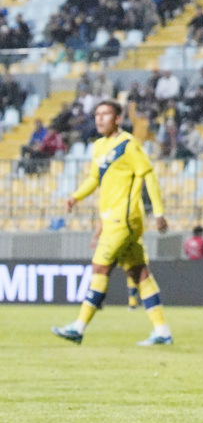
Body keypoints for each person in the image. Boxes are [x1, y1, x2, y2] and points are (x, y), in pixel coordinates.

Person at [51, 100, 173, 346]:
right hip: (112, 218)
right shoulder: (99, 146)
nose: (99, 119)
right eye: (97, 114)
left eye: (105, 114)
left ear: (117, 119)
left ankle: (79, 327)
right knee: (140, 273)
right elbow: (94, 178)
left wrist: (159, 212)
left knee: (99, 267)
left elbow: (148, 175)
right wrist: (75, 196)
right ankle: (162, 331)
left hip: (123, 218)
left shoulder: (128, 145)